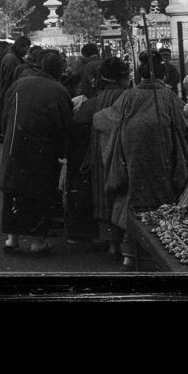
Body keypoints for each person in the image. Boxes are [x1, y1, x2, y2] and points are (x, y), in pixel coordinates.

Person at [105, 54, 188, 270]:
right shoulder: (167, 95)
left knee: (135, 195)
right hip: (161, 149)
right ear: (161, 74)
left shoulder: (129, 95)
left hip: (132, 150)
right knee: (162, 197)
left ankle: (129, 253)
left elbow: (111, 119)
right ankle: (165, 249)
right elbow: (185, 124)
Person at [0, 49, 73, 256]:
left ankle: (11, 239)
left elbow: (5, 114)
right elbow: (64, 126)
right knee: (39, 195)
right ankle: (37, 242)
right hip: (41, 151)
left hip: (14, 146)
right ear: (59, 71)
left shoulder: (19, 84)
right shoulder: (59, 90)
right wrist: (62, 151)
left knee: (13, 192)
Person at [68, 56, 132, 249]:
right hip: (123, 157)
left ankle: (111, 243)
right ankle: (124, 242)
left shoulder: (93, 102)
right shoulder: (128, 97)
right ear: (121, 77)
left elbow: (77, 125)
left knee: (104, 195)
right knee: (122, 195)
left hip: (98, 157)